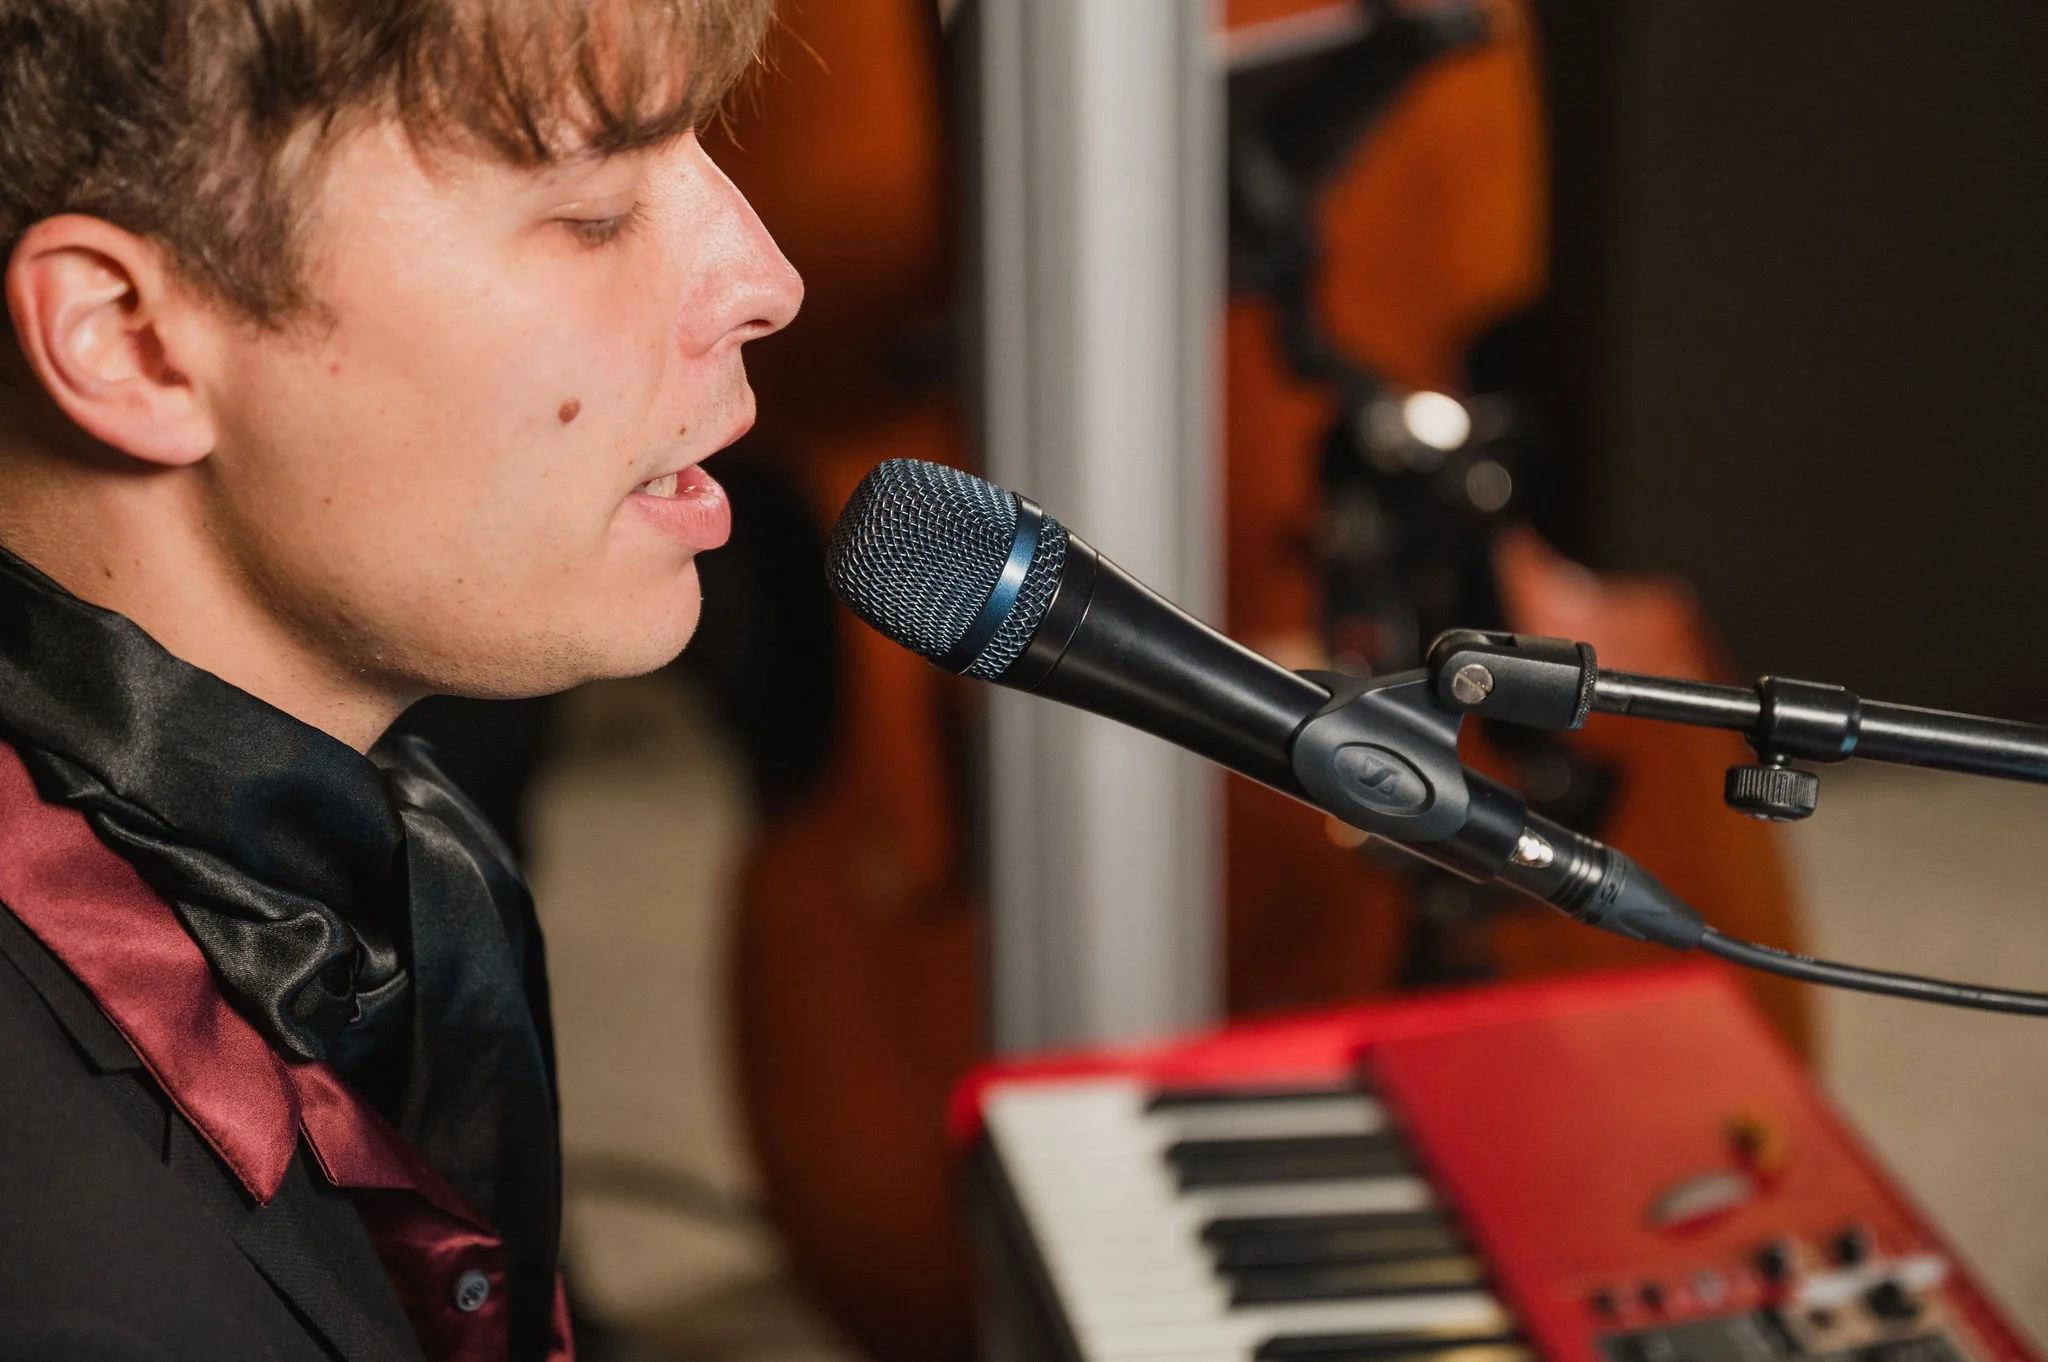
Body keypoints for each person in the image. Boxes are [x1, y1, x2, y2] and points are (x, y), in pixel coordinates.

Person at [0, 1, 801, 1358]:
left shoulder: (357, 846)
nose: (767, 279)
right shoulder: (79, 1283)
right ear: (130, 337)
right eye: (594, 212)